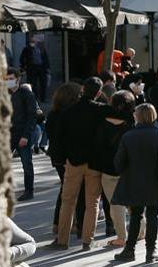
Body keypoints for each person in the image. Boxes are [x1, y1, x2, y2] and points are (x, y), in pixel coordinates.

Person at [111, 103, 158, 263]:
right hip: (157, 180)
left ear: (138, 117)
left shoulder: (128, 136)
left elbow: (118, 164)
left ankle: (129, 249)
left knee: (136, 216)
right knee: (153, 214)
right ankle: (151, 250)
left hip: (134, 181)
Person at [51, 77, 108, 250]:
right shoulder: (101, 110)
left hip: (74, 161)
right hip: (94, 162)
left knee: (68, 201)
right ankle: (87, 240)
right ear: (98, 93)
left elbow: (60, 138)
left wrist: (62, 158)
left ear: (83, 89)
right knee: (93, 203)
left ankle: (62, 240)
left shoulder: (69, 112)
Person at [93, 90, 136, 249]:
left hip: (109, 169)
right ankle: (141, 231)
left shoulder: (103, 122)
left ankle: (121, 237)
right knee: (134, 202)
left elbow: (98, 146)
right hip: (129, 169)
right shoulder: (133, 122)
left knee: (115, 205)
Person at [47, 81, 82, 236]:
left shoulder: (53, 114)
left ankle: (57, 223)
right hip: (69, 157)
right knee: (74, 192)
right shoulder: (71, 114)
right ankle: (73, 224)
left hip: (57, 157)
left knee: (64, 189)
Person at [8, 69, 38, 201]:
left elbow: (32, 116)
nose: (8, 81)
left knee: (26, 163)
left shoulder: (26, 93)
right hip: (8, 134)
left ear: (18, 79)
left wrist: (26, 135)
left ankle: (29, 190)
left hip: (22, 133)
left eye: (10, 78)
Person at [20, 36, 50, 102]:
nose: (33, 43)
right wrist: (23, 67)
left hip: (41, 68)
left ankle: (43, 98)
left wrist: (47, 68)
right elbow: (22, 58)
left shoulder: (41, 48)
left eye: (34, 41)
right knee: (33, 83)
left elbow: (45, 58)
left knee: (43, 83)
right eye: (32, 41)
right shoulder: (26, 49)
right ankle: (34, 98)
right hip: (32, 68)